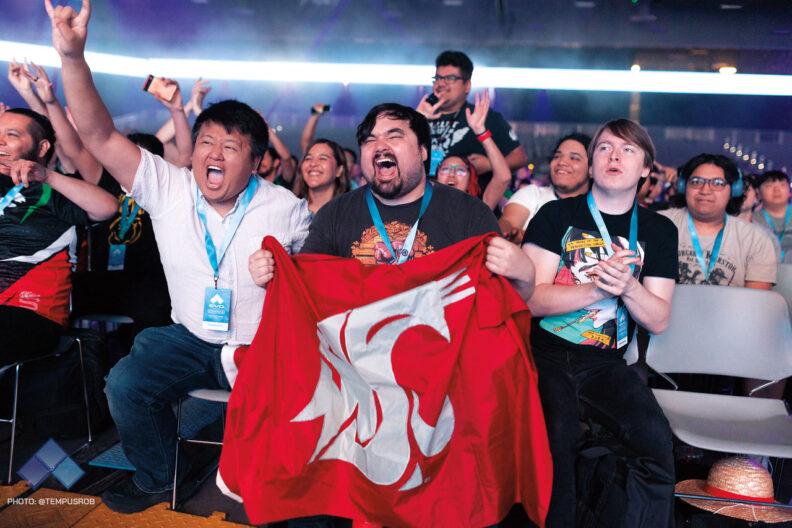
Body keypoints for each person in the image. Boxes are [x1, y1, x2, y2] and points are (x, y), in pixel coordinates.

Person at [46, 0, 311, 514]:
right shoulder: (169, 187)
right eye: (206, 141)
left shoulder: (287, 209)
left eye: (230, 147)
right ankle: (162, 474)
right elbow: (98, 135)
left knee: (275, 472)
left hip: (263, 347)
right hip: (189, 338)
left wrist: (287, 272)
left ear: (257, 162)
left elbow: (315, 280)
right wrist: (73, 57)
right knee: (125, 383)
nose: (212, 153)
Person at [249, 102, 535, 528]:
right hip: (354, 377)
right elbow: (306, 296)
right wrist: (271, 275)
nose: (379, 146)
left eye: (394, 136)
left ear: (423, 151)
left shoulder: (466, 213)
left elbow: (503, 308)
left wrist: (525, 273)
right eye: (369, 140)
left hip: (440, 381)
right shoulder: (337, 214)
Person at [523, 118, 678, 527]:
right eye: (605, 148)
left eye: (628, 150)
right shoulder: (555, 215)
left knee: (654, 441)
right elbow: (532, 300)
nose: (615, 157)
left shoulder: (659, 229)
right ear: (591, 164)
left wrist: (628, 286)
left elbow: (658, 319)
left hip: (606, 363)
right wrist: (597, 290)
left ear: (646, 168)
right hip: (545, 354)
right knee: (557, 442)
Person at [0, 106, 117, 366]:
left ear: (41, 149)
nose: (0, 141)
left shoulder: (53, 190)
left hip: (33, 314)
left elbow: (107, 207)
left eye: (11, 134)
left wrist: (45, 175)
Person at [662, 154, 777, 289]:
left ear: (734, 190)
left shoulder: (755, 239)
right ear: (683, 186)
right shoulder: (658, 225)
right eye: (696, 182)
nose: (705, 190)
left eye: (717, 183)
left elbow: (756, 302)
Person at [416, 50, 527, 182]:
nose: (441, 83)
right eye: (438, 78)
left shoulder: (482, 117)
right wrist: (416, 119)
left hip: (469, 199)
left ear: (467, 86)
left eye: (450, 78)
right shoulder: (420, 115)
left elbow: (519, 157)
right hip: (425, 196)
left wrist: (489, 164)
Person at [499, 133, 591, 243]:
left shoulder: (598, 207)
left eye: (574, 158)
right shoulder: (532, 194)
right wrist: (508, 233)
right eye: (557, 156)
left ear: (592, 169)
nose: (561, 162)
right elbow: (508, 221)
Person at [435, 90, 510, 211]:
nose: (452, 174)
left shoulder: (477, 208)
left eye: (460, 171)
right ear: (436, 177)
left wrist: (481, 131)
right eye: (445, 169)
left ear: (471, 180)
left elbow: (503, 177)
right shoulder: (423, 205)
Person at [292, 138, 350, 215]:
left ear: (339, 170)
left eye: (322, 158)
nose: (313, 164)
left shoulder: (350, 210)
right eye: (308, 159)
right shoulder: (292, 209)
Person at [752, 170, 791, 262]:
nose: (776, 190)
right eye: (769, 186)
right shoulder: (752, 220)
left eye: (782, 185)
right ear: (758, 193)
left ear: (789, 191)